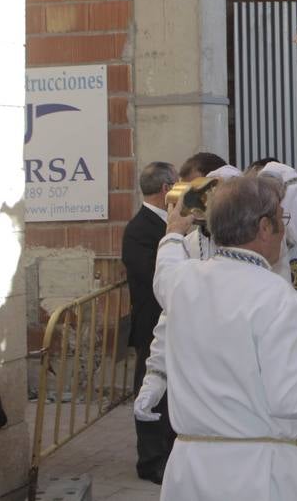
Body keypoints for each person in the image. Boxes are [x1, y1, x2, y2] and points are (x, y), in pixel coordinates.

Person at [152, 174, 297, 499]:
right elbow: (293, 395)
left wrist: (173, 232)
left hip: (191, 473)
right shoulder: (276, 295)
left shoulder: (181, 281)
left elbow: (164, 267)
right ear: (265, 227)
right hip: (257, 476)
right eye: (282, 218)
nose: (284, 229)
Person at [120, 161, 178, 484]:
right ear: (167, 189)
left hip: (172, 324)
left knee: (170, 394)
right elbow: (152, 276)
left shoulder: (171, 224)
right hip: (151, 326)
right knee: (151, 390)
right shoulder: (140, 229)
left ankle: (169, 451)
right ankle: (151, 459)